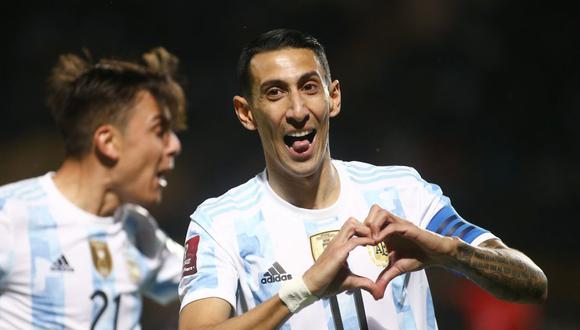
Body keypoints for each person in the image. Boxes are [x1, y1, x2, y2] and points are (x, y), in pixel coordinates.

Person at [178, 29, 547, 330]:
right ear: (246, 113)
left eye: (309, 87)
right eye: (275, 92)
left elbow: (532, 283)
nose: (297, 110)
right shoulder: (221, 223)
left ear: (333, 97)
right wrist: (304, 288)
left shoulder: (403, 192)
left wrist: (448, 252)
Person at [0, 47, 187, 329]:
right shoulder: (10, 216)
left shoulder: (137, 229)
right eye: (159, 131)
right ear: (108, 142)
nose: (174, 145)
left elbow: (211, 277)